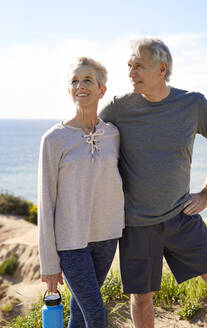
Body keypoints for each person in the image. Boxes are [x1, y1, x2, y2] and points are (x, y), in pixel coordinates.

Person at [99, 38, 207, 328]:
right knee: (142, 298)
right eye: (129, 66)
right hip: (136, 223)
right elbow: (89, 134)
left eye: (138, 66)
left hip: (181, 216)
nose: (131, 73)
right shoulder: (118, 108)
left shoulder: (192, 104)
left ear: (162, 69)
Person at [38, 57, 124, 328]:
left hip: (107, 237)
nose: (80, 85)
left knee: (80, 311)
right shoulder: (53, 139)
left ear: (102, 90)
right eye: (74, 81)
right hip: (70, 242)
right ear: (69, 91)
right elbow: (46, 201)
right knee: (97, 315)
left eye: (87, 80)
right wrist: (49, 262)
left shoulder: (113, 135)